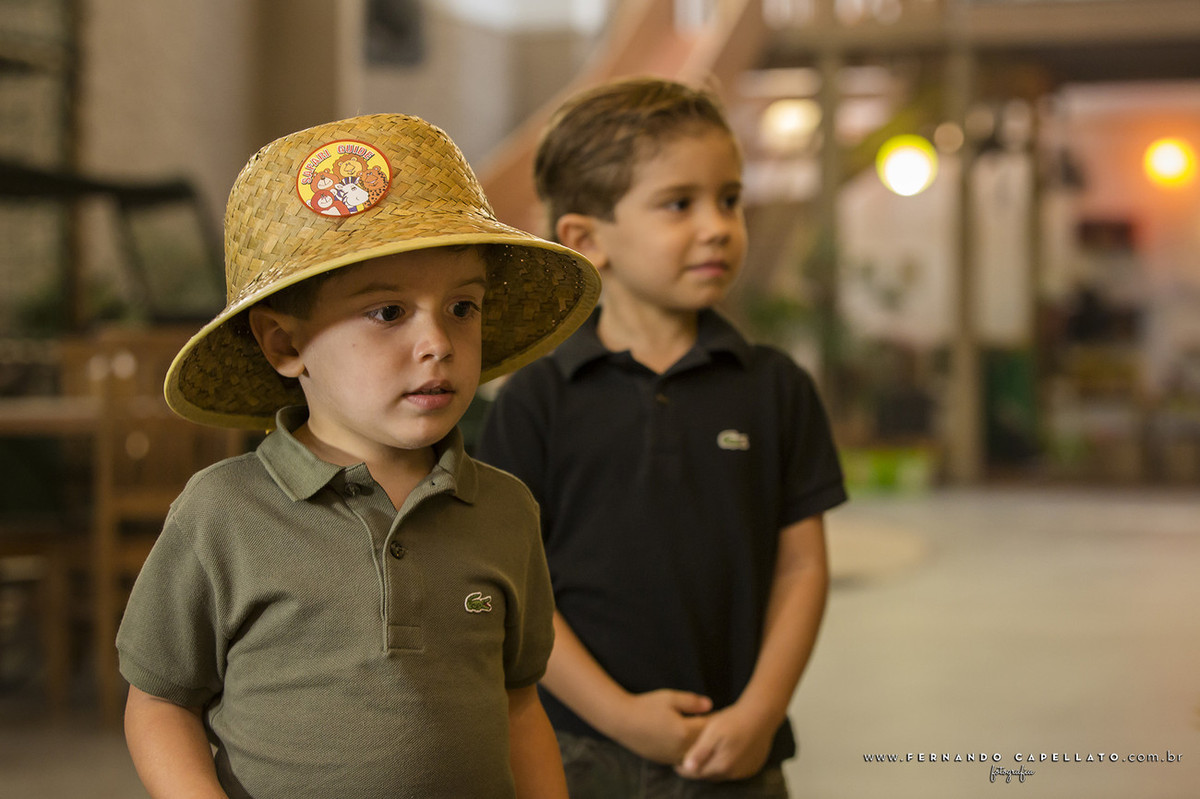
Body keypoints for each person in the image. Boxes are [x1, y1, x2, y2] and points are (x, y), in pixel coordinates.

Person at [116, 113, 601, 799]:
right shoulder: (221, 513)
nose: (438, 341)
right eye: (387, 313)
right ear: (285, 345)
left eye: (463, 306)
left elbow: (519, 702)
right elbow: (160, 701)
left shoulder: (503, 509)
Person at [476, 77, 847, 797]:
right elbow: (517, 591)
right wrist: (619, 715)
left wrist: (762, 713)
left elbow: (802, 568)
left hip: (738, 753)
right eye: (679, 203)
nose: (717, 224)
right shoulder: (537, 400)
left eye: (729, 199)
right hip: (575, 753)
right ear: (587, 239)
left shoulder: (776, 388)